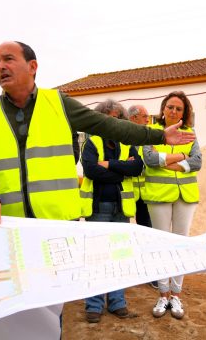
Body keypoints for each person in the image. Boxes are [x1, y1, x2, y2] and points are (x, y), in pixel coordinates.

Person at [0, 41, 196, 251]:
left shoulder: (58, 103)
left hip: (56, 228)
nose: (0, 66)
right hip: (5, 227)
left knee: (53, 295)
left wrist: (158, 137)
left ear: (32, 66)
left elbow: (109, 125)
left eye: (8, 59)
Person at [81, 100, 143, 323]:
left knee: (120, 257)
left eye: (118, 118)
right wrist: (120, 169)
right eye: (110, 117)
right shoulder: (92, 142)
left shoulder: (127, 142)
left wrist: (107, 164)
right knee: (96, 258)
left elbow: (137, 167)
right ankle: (94, 305)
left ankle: (117, 303)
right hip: (98, 209)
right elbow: (90, 170)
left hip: (121, 210)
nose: (114, 121)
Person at [143, 91, 202, 319]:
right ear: (163, 109)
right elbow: (148, 158)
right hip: (158, 195)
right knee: (160, 244)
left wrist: (168, 160)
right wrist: (181, 156)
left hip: (185, 196)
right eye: (170, 107)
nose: (174, 111)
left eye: (179, 108)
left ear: (184, 112)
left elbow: (197, 161)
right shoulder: (152, 133)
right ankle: (163, 293)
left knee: (181, 245)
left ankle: (176, 294)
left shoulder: (190, 133)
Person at [128, 104, 158, 290]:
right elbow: (125, 163)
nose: (148, 119)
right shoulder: (124, 137)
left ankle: (151, 271)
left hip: (146, 193)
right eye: (145, 116)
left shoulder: (150, 136)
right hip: (128, 194)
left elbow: (154, 160)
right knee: (126, 234)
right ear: (134, 118)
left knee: (148, 232)